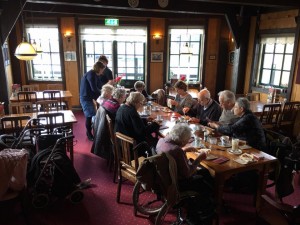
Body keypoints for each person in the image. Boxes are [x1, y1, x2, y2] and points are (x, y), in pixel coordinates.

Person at [156, 123, 213, 194]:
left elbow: (171, 153)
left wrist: (184, 149)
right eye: (187, 140)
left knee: (205, 171)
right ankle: (211, 199)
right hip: (178, 183)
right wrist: (199, 158)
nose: (188, 142)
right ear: (182, 141)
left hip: (164, 176)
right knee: (205, 172)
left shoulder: (161, 140)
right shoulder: (177, 150)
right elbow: (187, 174)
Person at [80, 61, 106, 141]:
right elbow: (94, 88)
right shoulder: (91, 74)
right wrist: (103, 93)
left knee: (91, 115)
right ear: (99, 68)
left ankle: (91, 132)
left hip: (89, 97)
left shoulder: (95, 74)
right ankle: (89, 134)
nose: (103, 71)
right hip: (85, 97)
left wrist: (103, 90)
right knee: (89, 116)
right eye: (102, 69)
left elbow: (99, 86)